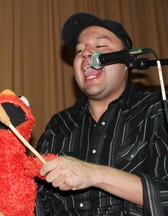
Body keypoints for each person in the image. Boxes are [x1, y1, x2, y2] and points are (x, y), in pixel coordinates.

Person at [35, 12, 168, 215]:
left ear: (127, 62)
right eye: (79, 51)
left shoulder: (157, 110)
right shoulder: (59, 125)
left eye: (100, 47)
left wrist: (94, 174)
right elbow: (36, 203)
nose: (86, 54)